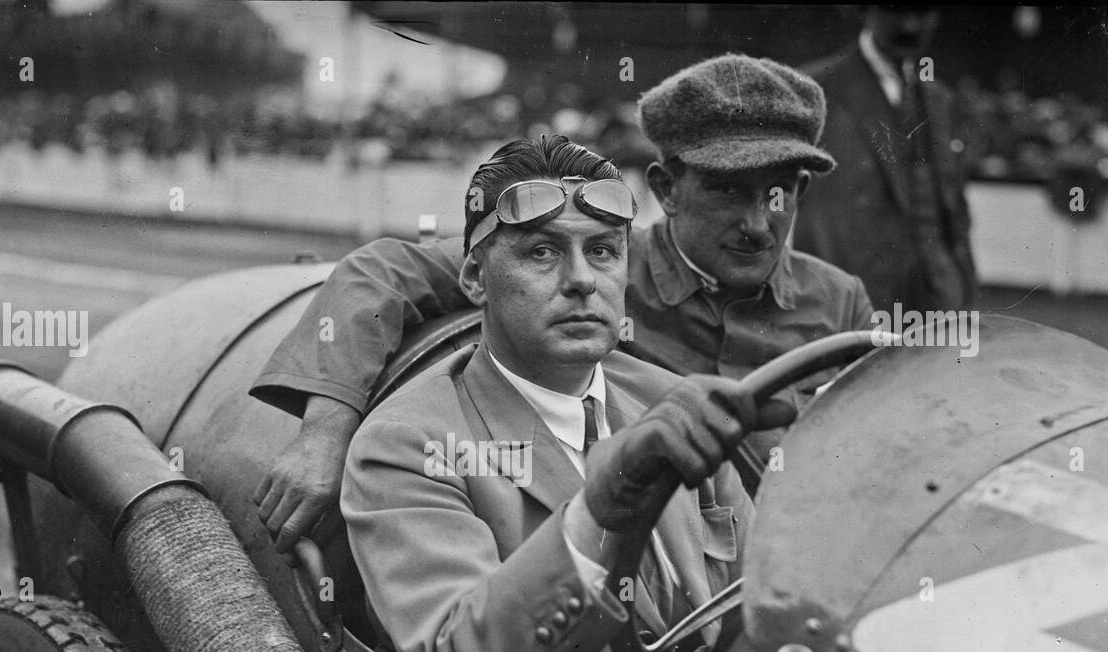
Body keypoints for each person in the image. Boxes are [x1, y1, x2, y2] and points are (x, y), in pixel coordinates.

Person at [252, 54, 872, 554]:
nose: (758, 223)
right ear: (665, 190)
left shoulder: (840, 304)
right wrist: (325, 432)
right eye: (727, 189)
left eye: (779, 191)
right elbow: (379, 273)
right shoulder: (596, 260)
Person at [338, 136, 795, 652]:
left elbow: (757, 606)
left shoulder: (667, 399)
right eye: (543, 253)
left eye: (603, 251)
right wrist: (601, 507)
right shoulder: (407, 445)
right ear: (475, 277)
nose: (582, 280)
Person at [793, 6, 978, 315]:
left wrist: (960, 282)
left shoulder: (939, 100)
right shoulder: (816, 89)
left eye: (922, 13)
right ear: (867, 10)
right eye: (895, 9)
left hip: (934, 302)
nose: (909, 24)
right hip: (851, 304)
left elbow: (952, 209)